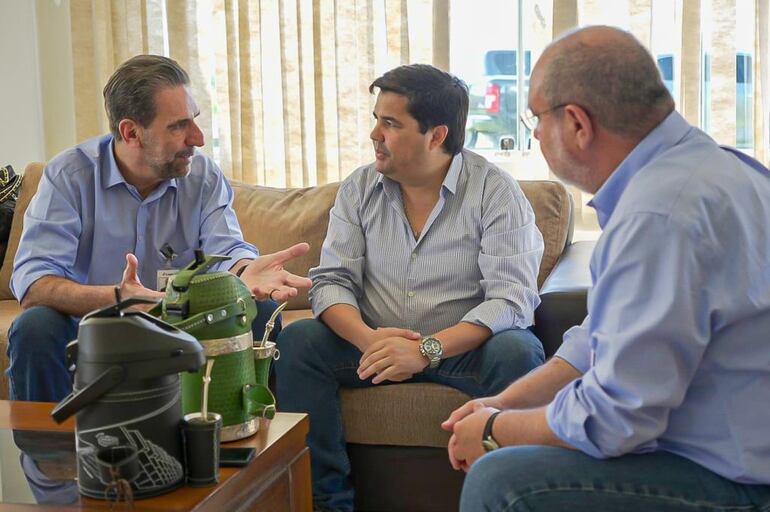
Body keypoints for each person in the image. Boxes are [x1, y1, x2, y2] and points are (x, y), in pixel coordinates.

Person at [444, 26, 770, 511]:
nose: (533, 134)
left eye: (536, 117)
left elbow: (616, 417)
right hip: (734, 453)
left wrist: (494, 431)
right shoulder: (721, 170)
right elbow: (595, 342)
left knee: (502, 480)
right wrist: (504, 404)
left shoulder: (657, 215)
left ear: (577, 123)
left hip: (735, 481)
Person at [275, 64, 546, 511]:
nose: (373, 133)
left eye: (390, 123)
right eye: (377, 118)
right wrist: (372, 341)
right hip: (372, 345)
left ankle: (505, 500)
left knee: (519, 351)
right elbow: (332, 282)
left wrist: (426, 350)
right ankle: (325, 504)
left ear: (436, 136)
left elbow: (511, 299)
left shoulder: (495, 192)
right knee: (299, 340)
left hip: (461, 350)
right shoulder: (360, 187)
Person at [8, 55, 312, 403]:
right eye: (178, 126)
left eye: (194, 120)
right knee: (34, 328)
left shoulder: (203, 177)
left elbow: (225, 253)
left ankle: (238, 447)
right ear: (131, 132)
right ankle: (50, 455)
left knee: (250, 312)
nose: (197, 138)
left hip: (183, 330)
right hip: (93, 331)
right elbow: (33, 283)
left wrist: (245, 271)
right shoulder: (69, 177)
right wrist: (120, 299)